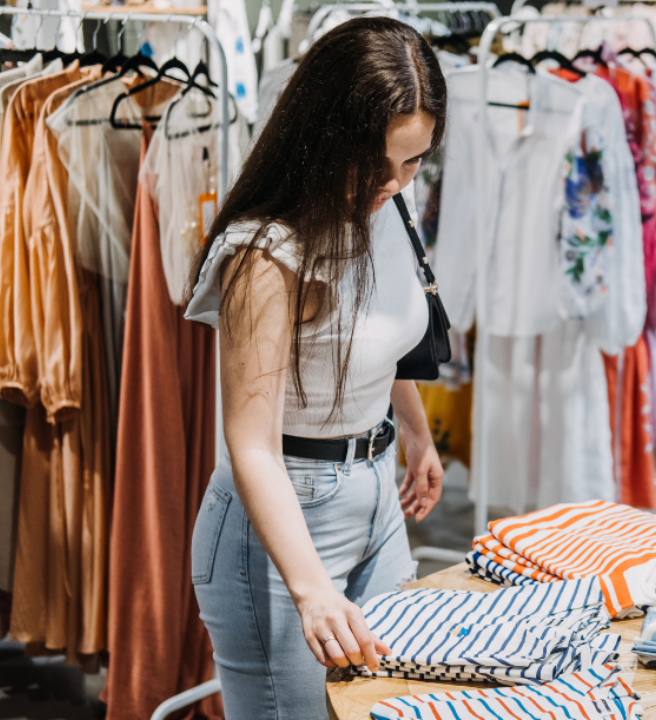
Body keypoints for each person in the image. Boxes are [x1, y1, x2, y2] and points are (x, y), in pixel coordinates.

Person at [183, 17, 447, 719]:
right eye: (379, 163)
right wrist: (309, 588)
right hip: (282, 520)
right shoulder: (266, 254)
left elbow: (370, 334)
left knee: (393, 705)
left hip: (377, 496)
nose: (395, 182)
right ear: (325, 136)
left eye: (414, 162)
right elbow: (250, 444)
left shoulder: (387, 202)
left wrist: (414, 430)